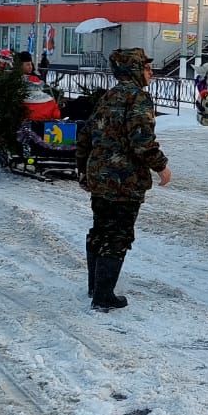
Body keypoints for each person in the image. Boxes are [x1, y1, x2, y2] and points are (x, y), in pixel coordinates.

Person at [83, 48, 171, 311]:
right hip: (124, 180)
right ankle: (103, 297)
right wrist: (161, 166)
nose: (150, 72)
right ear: (133, 70)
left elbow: (86, 134)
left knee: (100, 230)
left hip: (99, 176)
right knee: (117, 235)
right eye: (145, 68)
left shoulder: (108, 96)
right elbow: (142, 141)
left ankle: (95, 288)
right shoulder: (138, 98)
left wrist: (82, 169)